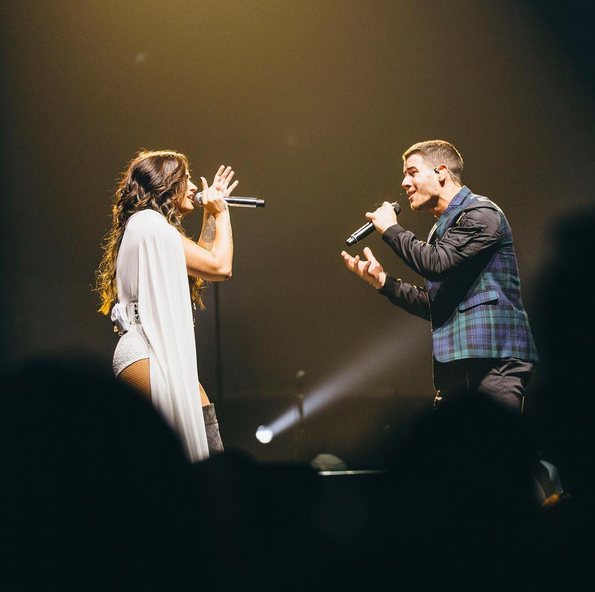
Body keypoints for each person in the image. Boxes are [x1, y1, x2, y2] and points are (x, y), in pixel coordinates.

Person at [341, 140, 539, 412]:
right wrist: (384, 282)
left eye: (412, 172)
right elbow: (437, 306)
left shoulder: (482, 213)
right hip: (457, 366)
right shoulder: (444, 229)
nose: (404, 182)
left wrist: (391, 229)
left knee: (491, 438)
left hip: (493, 358)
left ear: (441, 172)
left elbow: (435, 262)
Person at [95, 150, 237, 461]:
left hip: (151, 346)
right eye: (187, 179)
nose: (194, 187)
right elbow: (220, 267)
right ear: (166, 184)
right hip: (145, 349)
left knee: (205, 435)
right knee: (162, 457)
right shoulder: (150, 225)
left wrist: (209, 216)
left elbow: (200, 264)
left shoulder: (150, 227)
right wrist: (222, 213)